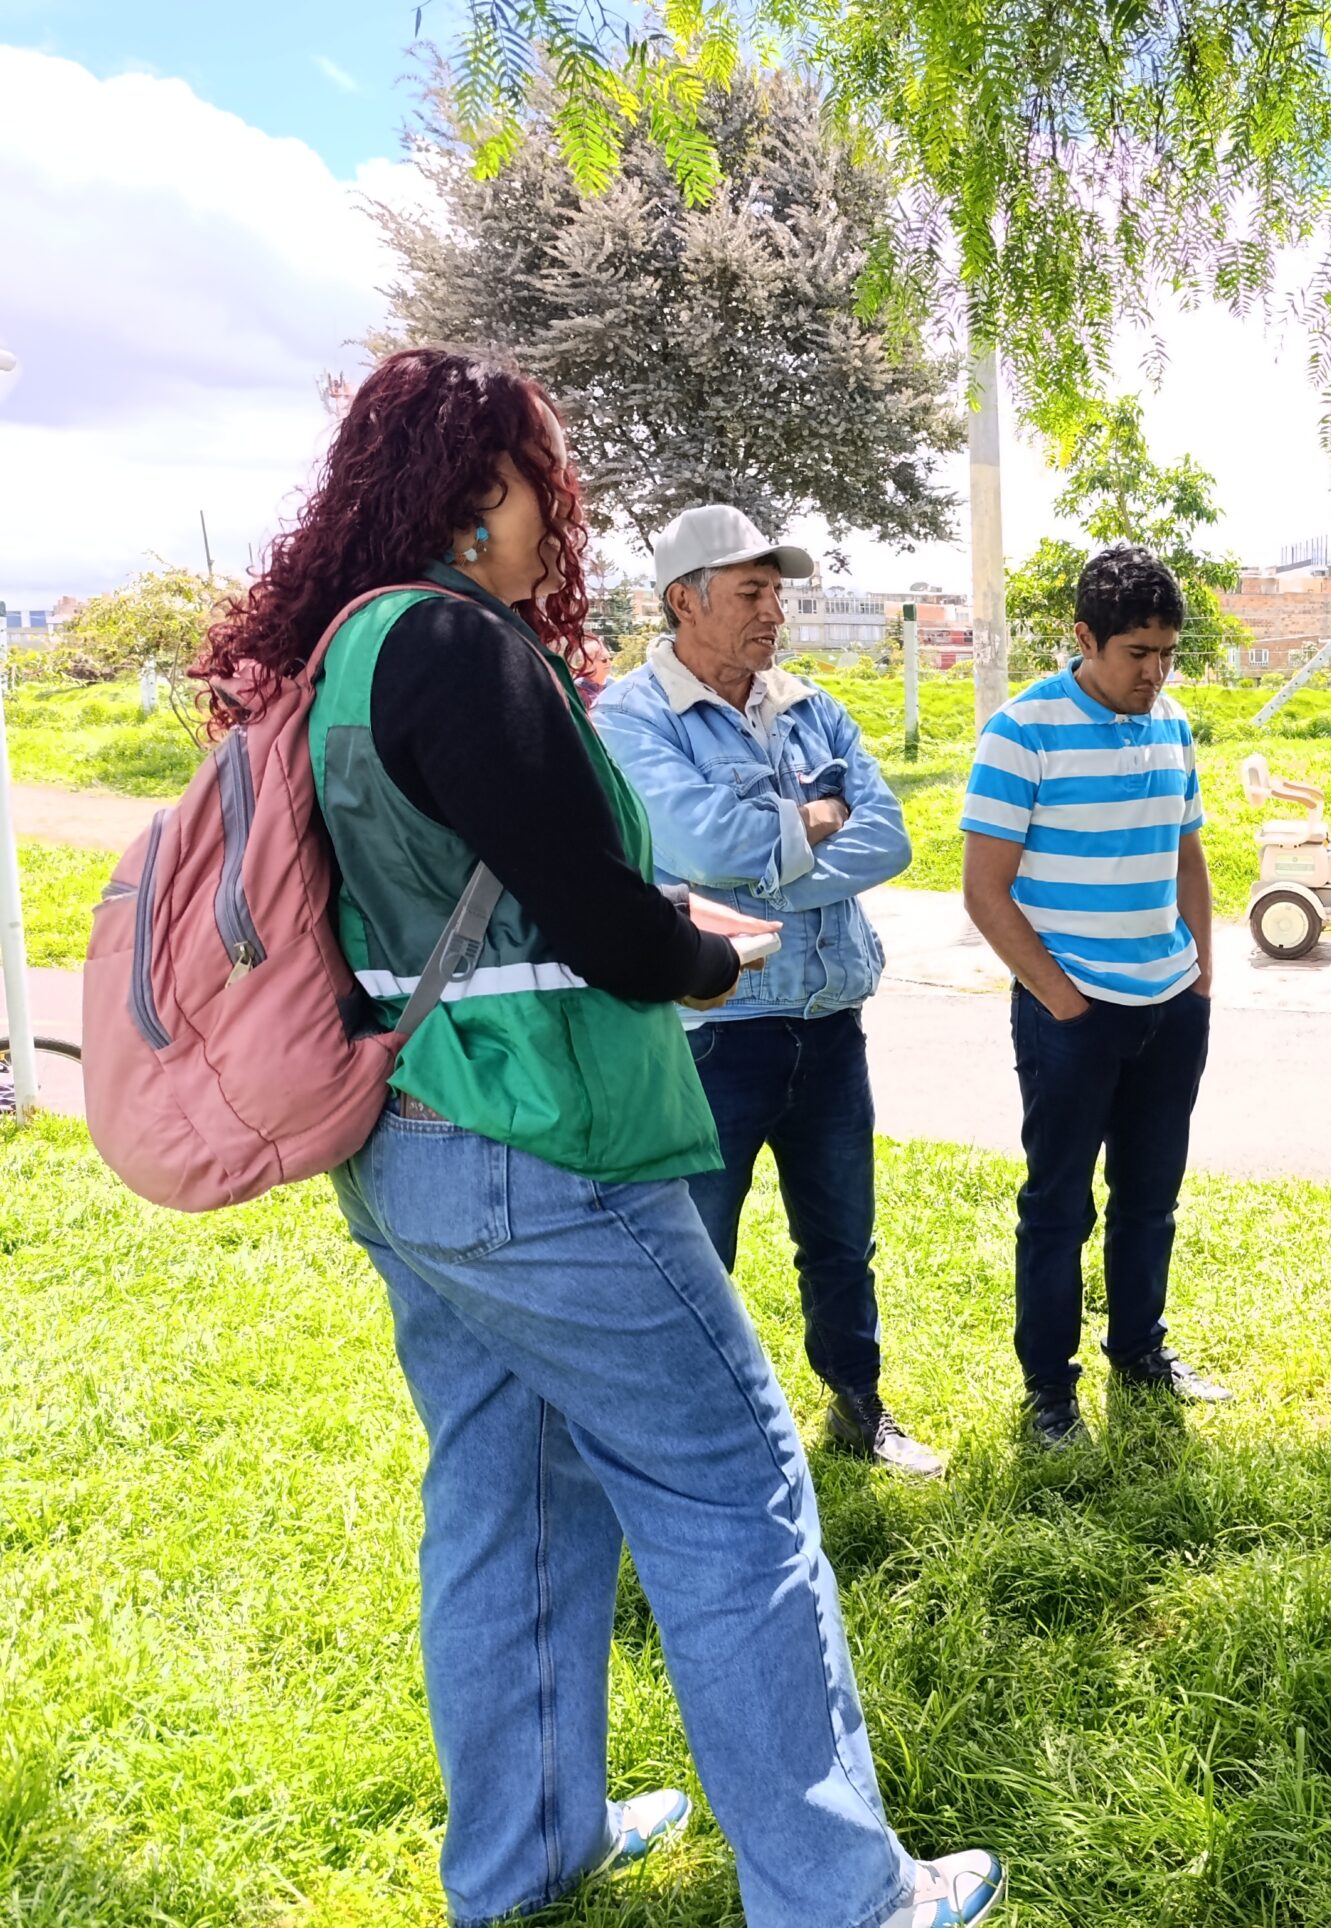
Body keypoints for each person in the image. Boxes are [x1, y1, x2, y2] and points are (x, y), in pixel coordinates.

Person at [191, 349, 1001, 1928]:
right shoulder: (458, 645)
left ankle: (525, 1853)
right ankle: (847, 1894)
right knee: (737, 1487)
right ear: (478, 488)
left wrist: (654, 914)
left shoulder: (346, 654)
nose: (555, 526)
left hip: (414, 1143)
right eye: (539, 488)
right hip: (549, 1150)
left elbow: (506, 896)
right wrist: (713, 951)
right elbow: (620, 941)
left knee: (508, 1493)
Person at [593, 504, 940, 1477]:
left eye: (776, 592)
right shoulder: (631, 716)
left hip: (828, 1018)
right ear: (683, 600)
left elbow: (891, 836)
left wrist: (768, 853)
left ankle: (858, 1407)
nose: (772, 612)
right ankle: (690, 1443)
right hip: (714, 1026)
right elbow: (699, 844)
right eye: (751, 591)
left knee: (842, 1236)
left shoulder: (808, 703)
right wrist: (812, 818)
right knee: (697, 1247)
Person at [958, 545, 1229, 1448]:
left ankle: (1140, 1349)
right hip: (1069, 1016)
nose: (1154, 673)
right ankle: (1048, 1390)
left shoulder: (1173, 726)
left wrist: (1200, 977)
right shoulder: (1021, 732)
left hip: (1169, 1008)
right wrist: (1063, 1001)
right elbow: (983, 892)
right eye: (1136, 654)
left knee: (1151, 1197)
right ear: (1085, 638)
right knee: (1059, 1206)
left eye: (1166, 654)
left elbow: (1188, 853)